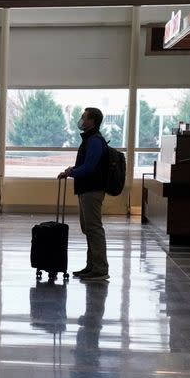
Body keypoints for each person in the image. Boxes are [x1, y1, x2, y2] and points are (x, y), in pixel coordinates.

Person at [58, 107, 109, 281]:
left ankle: (100, 268)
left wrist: (71, 173)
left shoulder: (95, 140)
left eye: (84, 117)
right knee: (88, 229)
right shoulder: (89, 139)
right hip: (86, 189)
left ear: (92, 121)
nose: (81, 120)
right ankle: (92, 265)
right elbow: (85, 165)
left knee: (94, 228)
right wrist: (72, 170)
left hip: (92, 190)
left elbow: (90, 167)